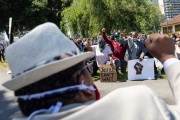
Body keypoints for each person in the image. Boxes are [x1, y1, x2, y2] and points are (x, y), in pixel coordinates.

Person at [3, 23, 180, 120]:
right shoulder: (137, 104)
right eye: (86, 68)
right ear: (82, 82)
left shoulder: (122, 44)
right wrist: (168, 57)